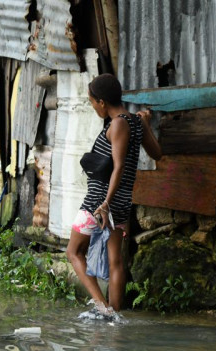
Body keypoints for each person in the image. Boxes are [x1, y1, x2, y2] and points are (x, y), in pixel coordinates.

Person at [66, 73, 162, 316]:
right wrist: (146, 125)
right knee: (115, 260)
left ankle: (103, 307)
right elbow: (157, 153)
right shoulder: (135, 122)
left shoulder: (118, 123)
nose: (94, 108)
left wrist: (105, 203)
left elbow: (118, 166)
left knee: (73, 252)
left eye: (92, 103)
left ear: (101, 102)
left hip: (100, 202)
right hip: (120, 202)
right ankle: (115, 316)